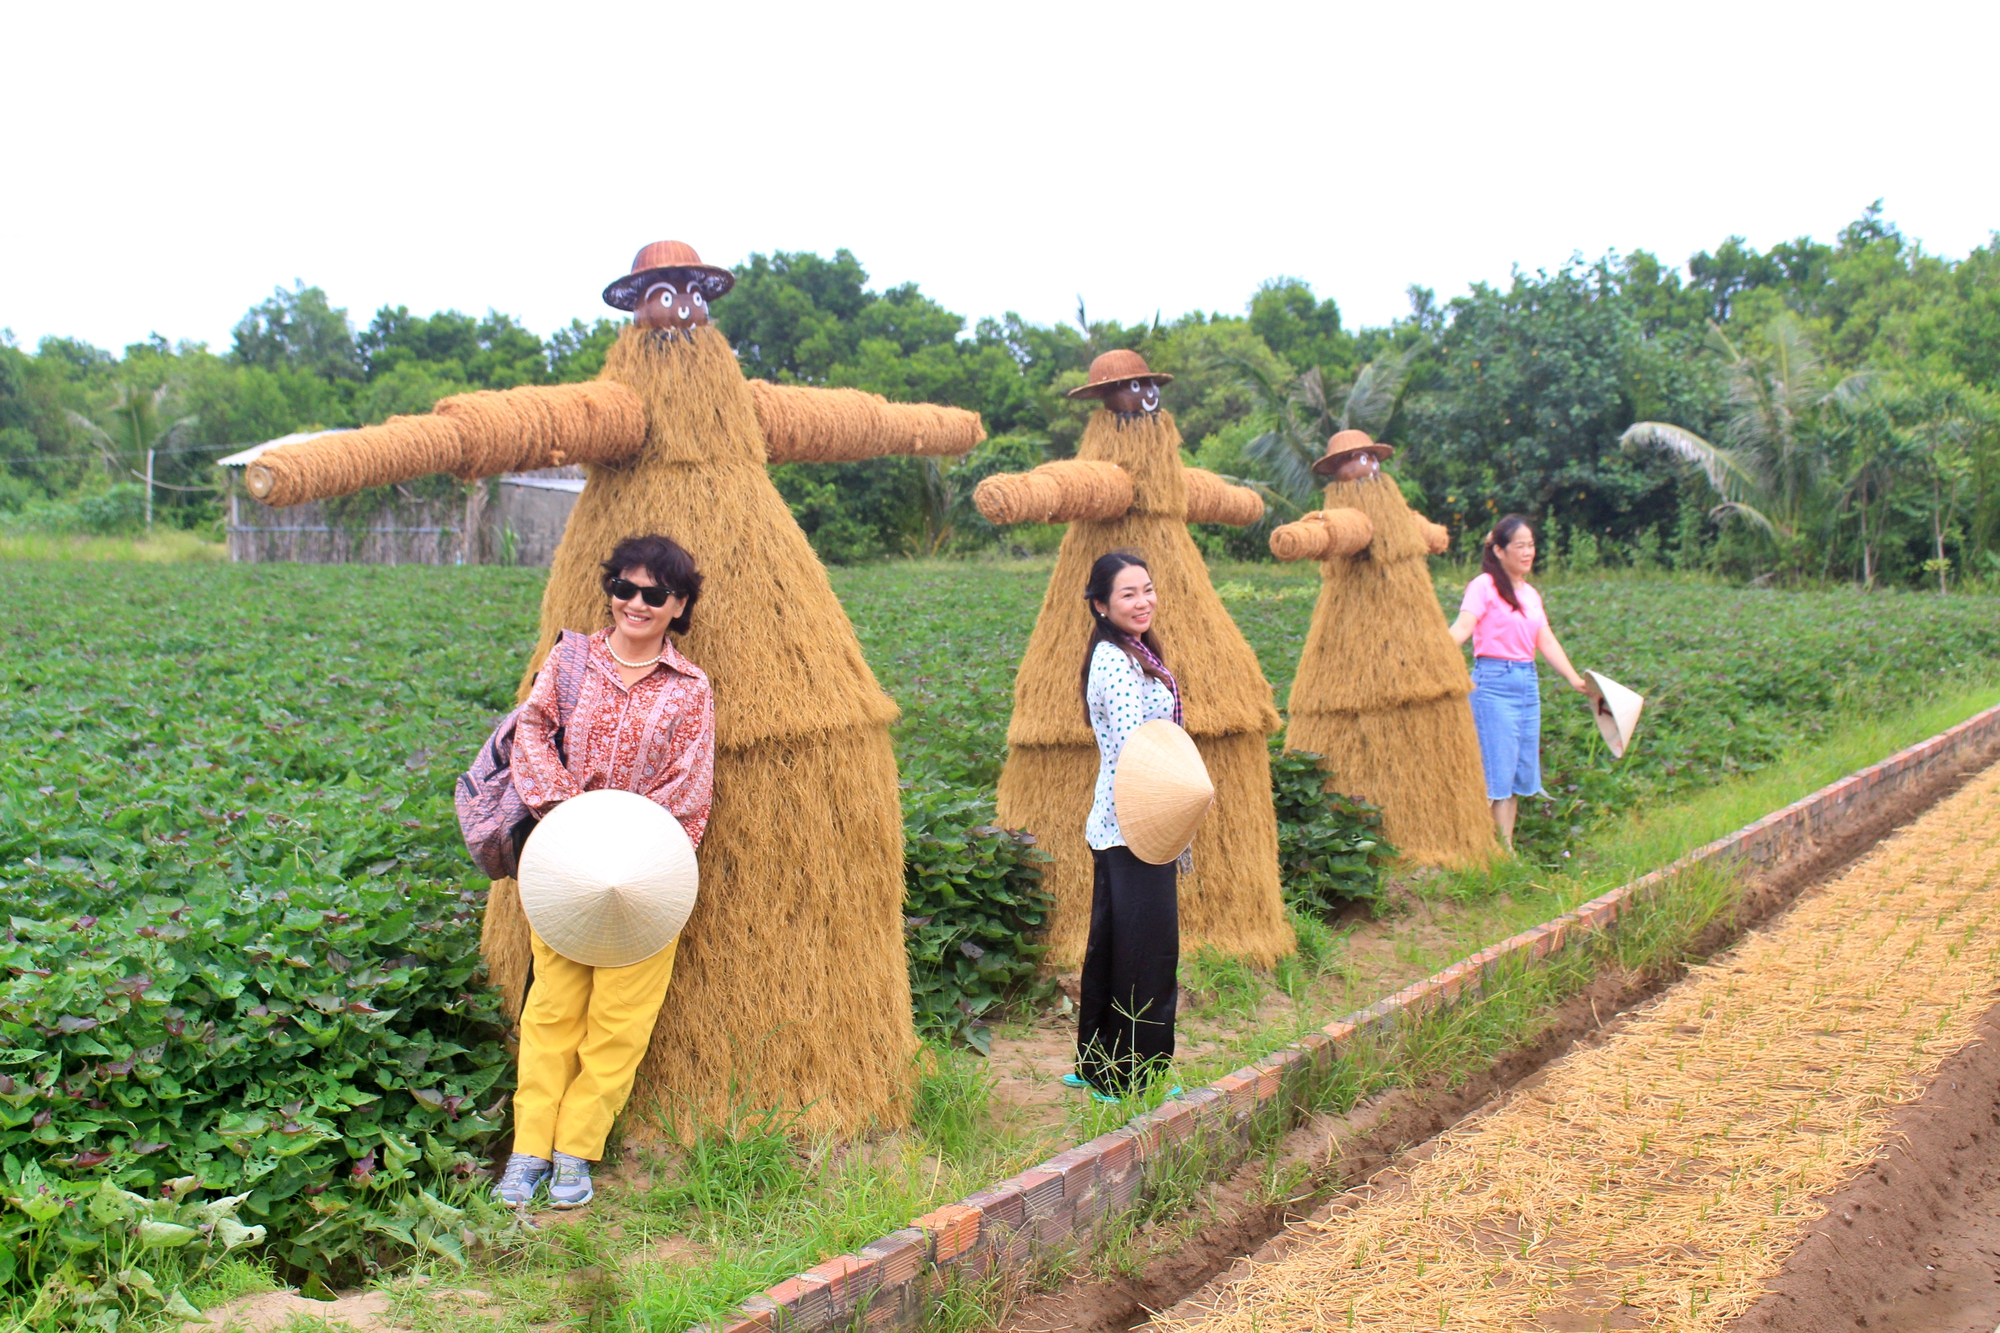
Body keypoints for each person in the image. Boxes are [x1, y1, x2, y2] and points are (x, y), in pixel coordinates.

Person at [492, 534, 715, 1209]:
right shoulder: (571, 660)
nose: (635, 603)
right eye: (624, 587)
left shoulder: (690, 688)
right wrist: (570, 814)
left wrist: (631, 836)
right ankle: (527, 1150)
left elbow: (689, 782)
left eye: (654, 593)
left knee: (620, 1019)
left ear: (678, 605)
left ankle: (575, 1152)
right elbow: (530, 731)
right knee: (552, 1009)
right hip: (565, 861)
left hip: (646, 871)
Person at [1064, 550, 1183, 1101]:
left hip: (1125, 821)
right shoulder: (1115, 660)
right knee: (1147, 952)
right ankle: (1136, 1076)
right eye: (1129, 594)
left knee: (1116, 945)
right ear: (1101, 605)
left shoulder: (1134, 653)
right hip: (1136, 821)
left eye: (1148, 590)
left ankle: (1100, 1068)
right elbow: (1139, 748)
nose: (1143, 602)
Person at [1446, 515, 1587, 850]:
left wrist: (1574, 678)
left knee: (1515, 774)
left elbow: (1546, 641)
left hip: (1527, 684)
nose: (1528, 552)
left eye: (1531, 545)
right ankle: (1478, 848)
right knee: (1494, 772)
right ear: (1499, 550)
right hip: (1494, 684)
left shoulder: (1531, 594)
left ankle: (1505, 850)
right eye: (1520, 546)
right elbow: (1463, 628)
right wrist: (1429, 653)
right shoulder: (1484, 586)